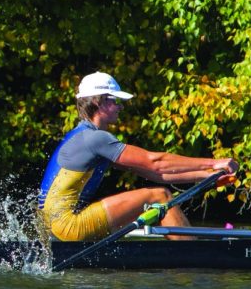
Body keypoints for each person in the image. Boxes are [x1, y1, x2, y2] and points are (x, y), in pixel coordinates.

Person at [39, 71, 237, 241]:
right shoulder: (95, 139)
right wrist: (215, 162)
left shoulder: (83, 136)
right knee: (160, 196)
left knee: (159, 193)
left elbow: (156, 174)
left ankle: (187, 250)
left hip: (54, 227)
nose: (120, 107)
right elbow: (155, 162)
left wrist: (210, 174)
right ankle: (196, 255)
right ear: (99, 102)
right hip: (68, 225)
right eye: (115, 101)